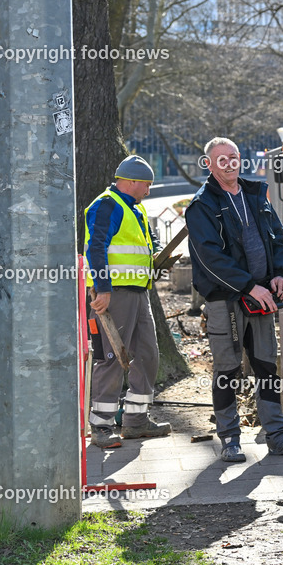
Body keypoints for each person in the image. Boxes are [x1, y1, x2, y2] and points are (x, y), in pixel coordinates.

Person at [186, 137, 283, 462]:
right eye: (222, 160)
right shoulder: (202, 206)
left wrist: (279, 274)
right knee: (227, 370)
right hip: (225, 301)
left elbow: (278, 239)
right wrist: (247, 286)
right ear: (209, 165)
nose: (230, 164)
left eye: (234, 157)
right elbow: (209, 257)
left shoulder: (256, 195)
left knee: (267, 367)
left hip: (261, 297)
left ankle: (278, 438)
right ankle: (229, 440)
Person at [83, 155, 171, 449]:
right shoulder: (107, 204)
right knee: (112, 357)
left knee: (147, 354)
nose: (148, 190)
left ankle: (135, 421)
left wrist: (156, 252)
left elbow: (143, 243)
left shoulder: (135, 208)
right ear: (131, 181)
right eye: (146, 184)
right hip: (115, 293)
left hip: (137, 291)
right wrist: (102, 288)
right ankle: (101, 425)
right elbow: (95, 247)